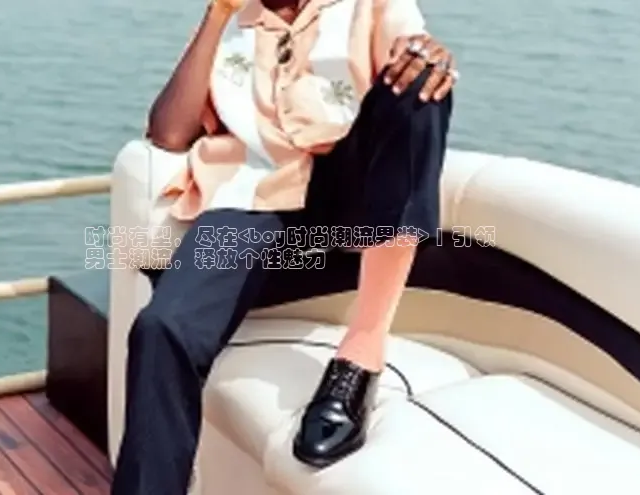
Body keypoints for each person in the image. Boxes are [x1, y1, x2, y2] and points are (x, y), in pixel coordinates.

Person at [112, 0, 457, 492]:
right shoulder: (231, 20)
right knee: (161, 327)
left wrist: (426, 54)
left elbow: (413, 52)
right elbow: (169, 132)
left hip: (349, 194)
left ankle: (361, 353)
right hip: (254, 195)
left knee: (420, 82)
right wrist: (216, 14)